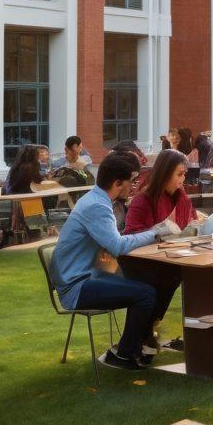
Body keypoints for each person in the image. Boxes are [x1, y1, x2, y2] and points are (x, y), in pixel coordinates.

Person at [49, 152, 180, 370]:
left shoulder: (96, 199)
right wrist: (156, 232)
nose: (134, 186)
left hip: (82, 277)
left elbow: (113, 239)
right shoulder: (98, 206)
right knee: (146, 294)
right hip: (76, 286)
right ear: (118, 183)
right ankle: (123, 354)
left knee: (151, 285)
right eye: (132, 181)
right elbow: (117, 245)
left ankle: (139, 345)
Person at [120, 149, 193, 355]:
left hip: (163, 259)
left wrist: (184, 202)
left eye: (184, 174)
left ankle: (148, 330)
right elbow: (131, 234)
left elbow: (189, 221)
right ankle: (143, 334)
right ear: (165, 173)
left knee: (177, 274)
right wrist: (157, 234)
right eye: (179, 174)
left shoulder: (178, 197)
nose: (183, 179)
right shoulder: (142, 200)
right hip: (138, 262)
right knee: (166, 278)